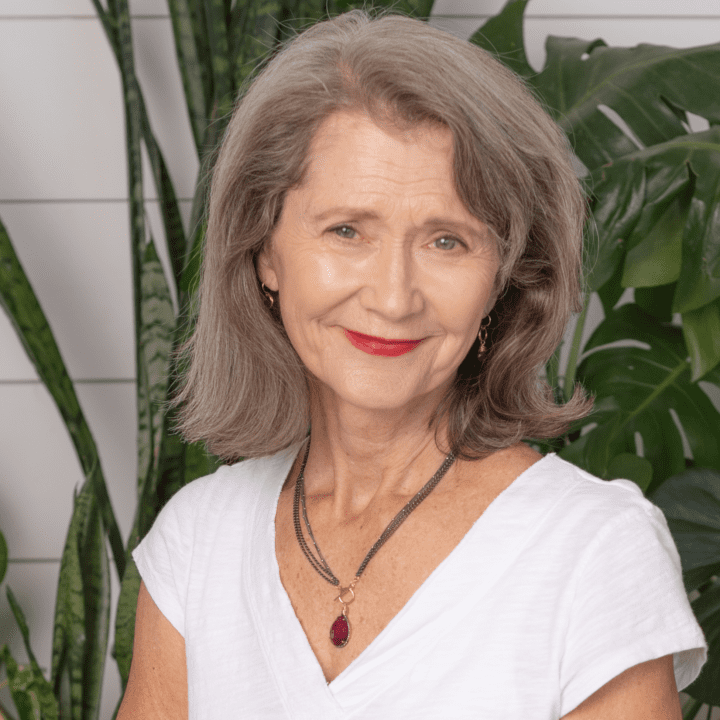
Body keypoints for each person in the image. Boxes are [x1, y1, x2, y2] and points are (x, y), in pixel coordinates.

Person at [117, 8, 707, 719]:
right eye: (346, 231)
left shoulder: (593, 552)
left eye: (447, 241)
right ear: (265, 251)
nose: (393, 298)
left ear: (504, 276)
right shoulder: (197, 540)